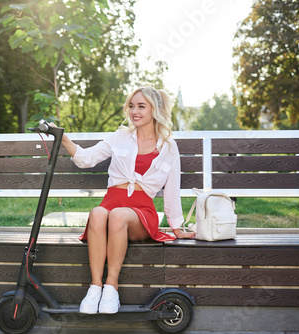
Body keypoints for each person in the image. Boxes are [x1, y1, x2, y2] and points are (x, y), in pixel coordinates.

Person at [53, 86, 195, 315]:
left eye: (141, 106)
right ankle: (95, 286)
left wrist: (177, 227)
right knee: (97, 213)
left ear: (155, 109)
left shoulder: (168, 146)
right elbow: (87, 158)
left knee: (118, 215)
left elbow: (172, 189)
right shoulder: (120, 136)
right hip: (111, 202)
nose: (134, 111)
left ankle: (112, 287)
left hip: (140, 212)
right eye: (131, 106)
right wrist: (63, 138)